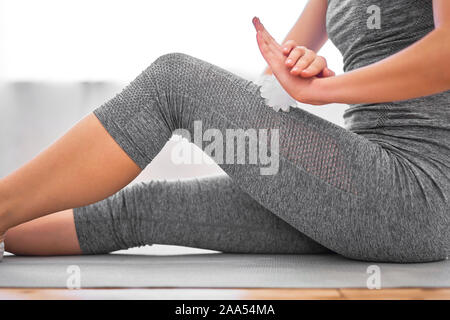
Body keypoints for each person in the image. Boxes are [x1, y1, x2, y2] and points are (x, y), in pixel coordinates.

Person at [1, 0, 449, 263]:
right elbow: (269, 93)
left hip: (421, 191)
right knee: (136, 209)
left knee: (172, 83)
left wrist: (329, 90)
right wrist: (298, 70)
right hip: (356, 187)